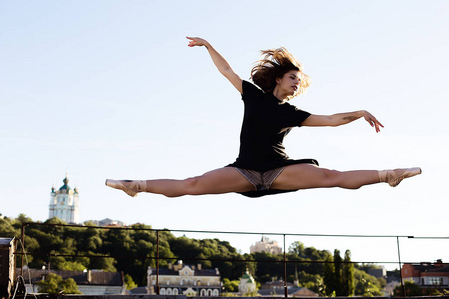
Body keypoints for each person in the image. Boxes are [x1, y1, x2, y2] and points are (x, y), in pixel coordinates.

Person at [105, 37, 421, 198]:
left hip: (279, 171)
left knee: (332, 177)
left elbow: (330, 120)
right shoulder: (253, 95)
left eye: (299, 80)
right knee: (192, 184)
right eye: (293, 78)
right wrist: (208, 46)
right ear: (279, 79)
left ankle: (388, 174)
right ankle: (137, 185)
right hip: (244, 171)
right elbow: (227, 71)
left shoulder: (292, 113)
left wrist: (359, 113)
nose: (297, 82)